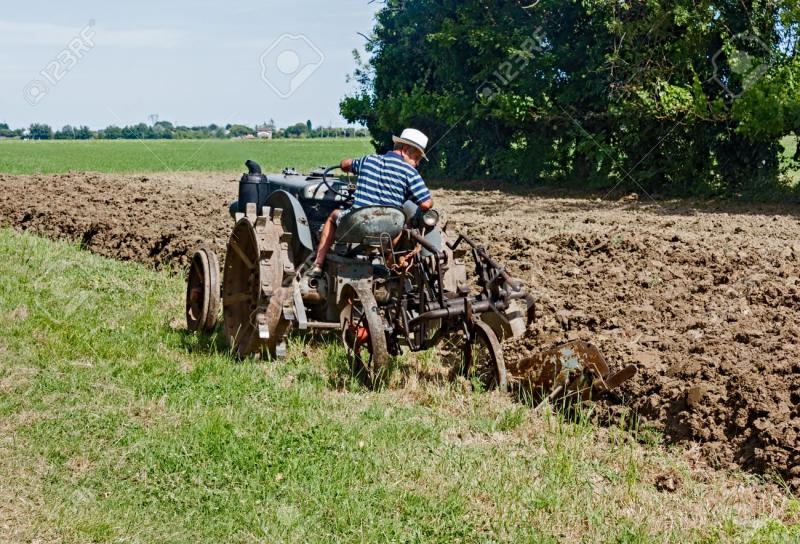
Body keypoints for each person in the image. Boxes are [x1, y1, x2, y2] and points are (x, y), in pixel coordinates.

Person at [307, 128, 434, 278]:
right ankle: (388, 266)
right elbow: (426, 204)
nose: (417, 163)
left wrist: (343, 165)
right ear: (405, 150)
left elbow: (346, 164)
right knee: (400, 224)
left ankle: (318, 264)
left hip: (357, 224)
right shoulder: (410, 172)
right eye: (417, 158)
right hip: (388, 230)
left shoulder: (369, 160)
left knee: (333, 216)